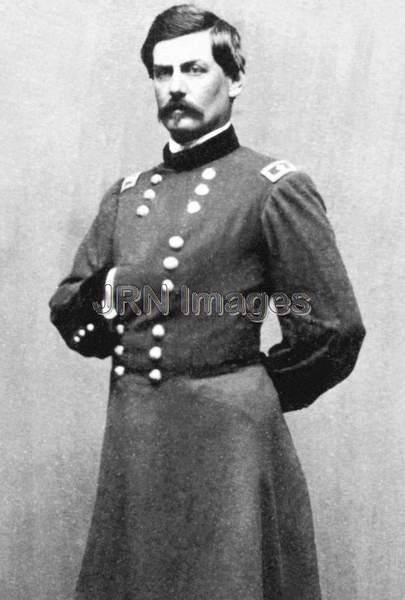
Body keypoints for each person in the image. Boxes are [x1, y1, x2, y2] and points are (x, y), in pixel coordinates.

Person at [49, 5, 366, 599]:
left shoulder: (272, 188)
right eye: (162, 73)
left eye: (193, 69)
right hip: (136, 442)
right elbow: (71, 314)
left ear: (234, 79)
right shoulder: (126, 196)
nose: (175, 87)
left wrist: (250, 394)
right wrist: (116, 289)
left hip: (228, 452)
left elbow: (332, 330)